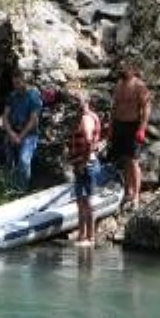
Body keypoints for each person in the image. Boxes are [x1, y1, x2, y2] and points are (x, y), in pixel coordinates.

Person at [110, 59, 152, 206]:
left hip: (132, 126)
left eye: (125, 67)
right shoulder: (119, 85)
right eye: (121, 67)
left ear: (133, 69)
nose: (122, 69)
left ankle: (136, 196)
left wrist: (142, 128)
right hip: (119, 125)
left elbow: (146, 108)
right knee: (125, 160)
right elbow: (114, 107)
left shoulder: (139, 86)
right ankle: (128, 191)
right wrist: (111, 128)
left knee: (133, 161)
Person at [68, 90, 103, 247]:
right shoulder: (87, 117)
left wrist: (83, 162)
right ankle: (83, 236)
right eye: (74, 101)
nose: (75, 104)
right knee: (81, 202)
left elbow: (89, 141)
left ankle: (91, 237)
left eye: (78, 101)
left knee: (87, 202)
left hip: (86, 165)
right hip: (81, 165)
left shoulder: (87, 119)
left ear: (86, 102)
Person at [1, 69, 42, 191]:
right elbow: (5, 116)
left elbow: (33, 119)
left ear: (24, 81)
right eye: (14, 83)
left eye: (18, 83)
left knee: (24, 161)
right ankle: (10, 188)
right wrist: (11, 133)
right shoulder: (12, 96)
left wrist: (20, 136)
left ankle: (22, 190)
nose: (16, 86)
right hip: (13, 133)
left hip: (29, 135)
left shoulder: (33, 96)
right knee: (9, 162)